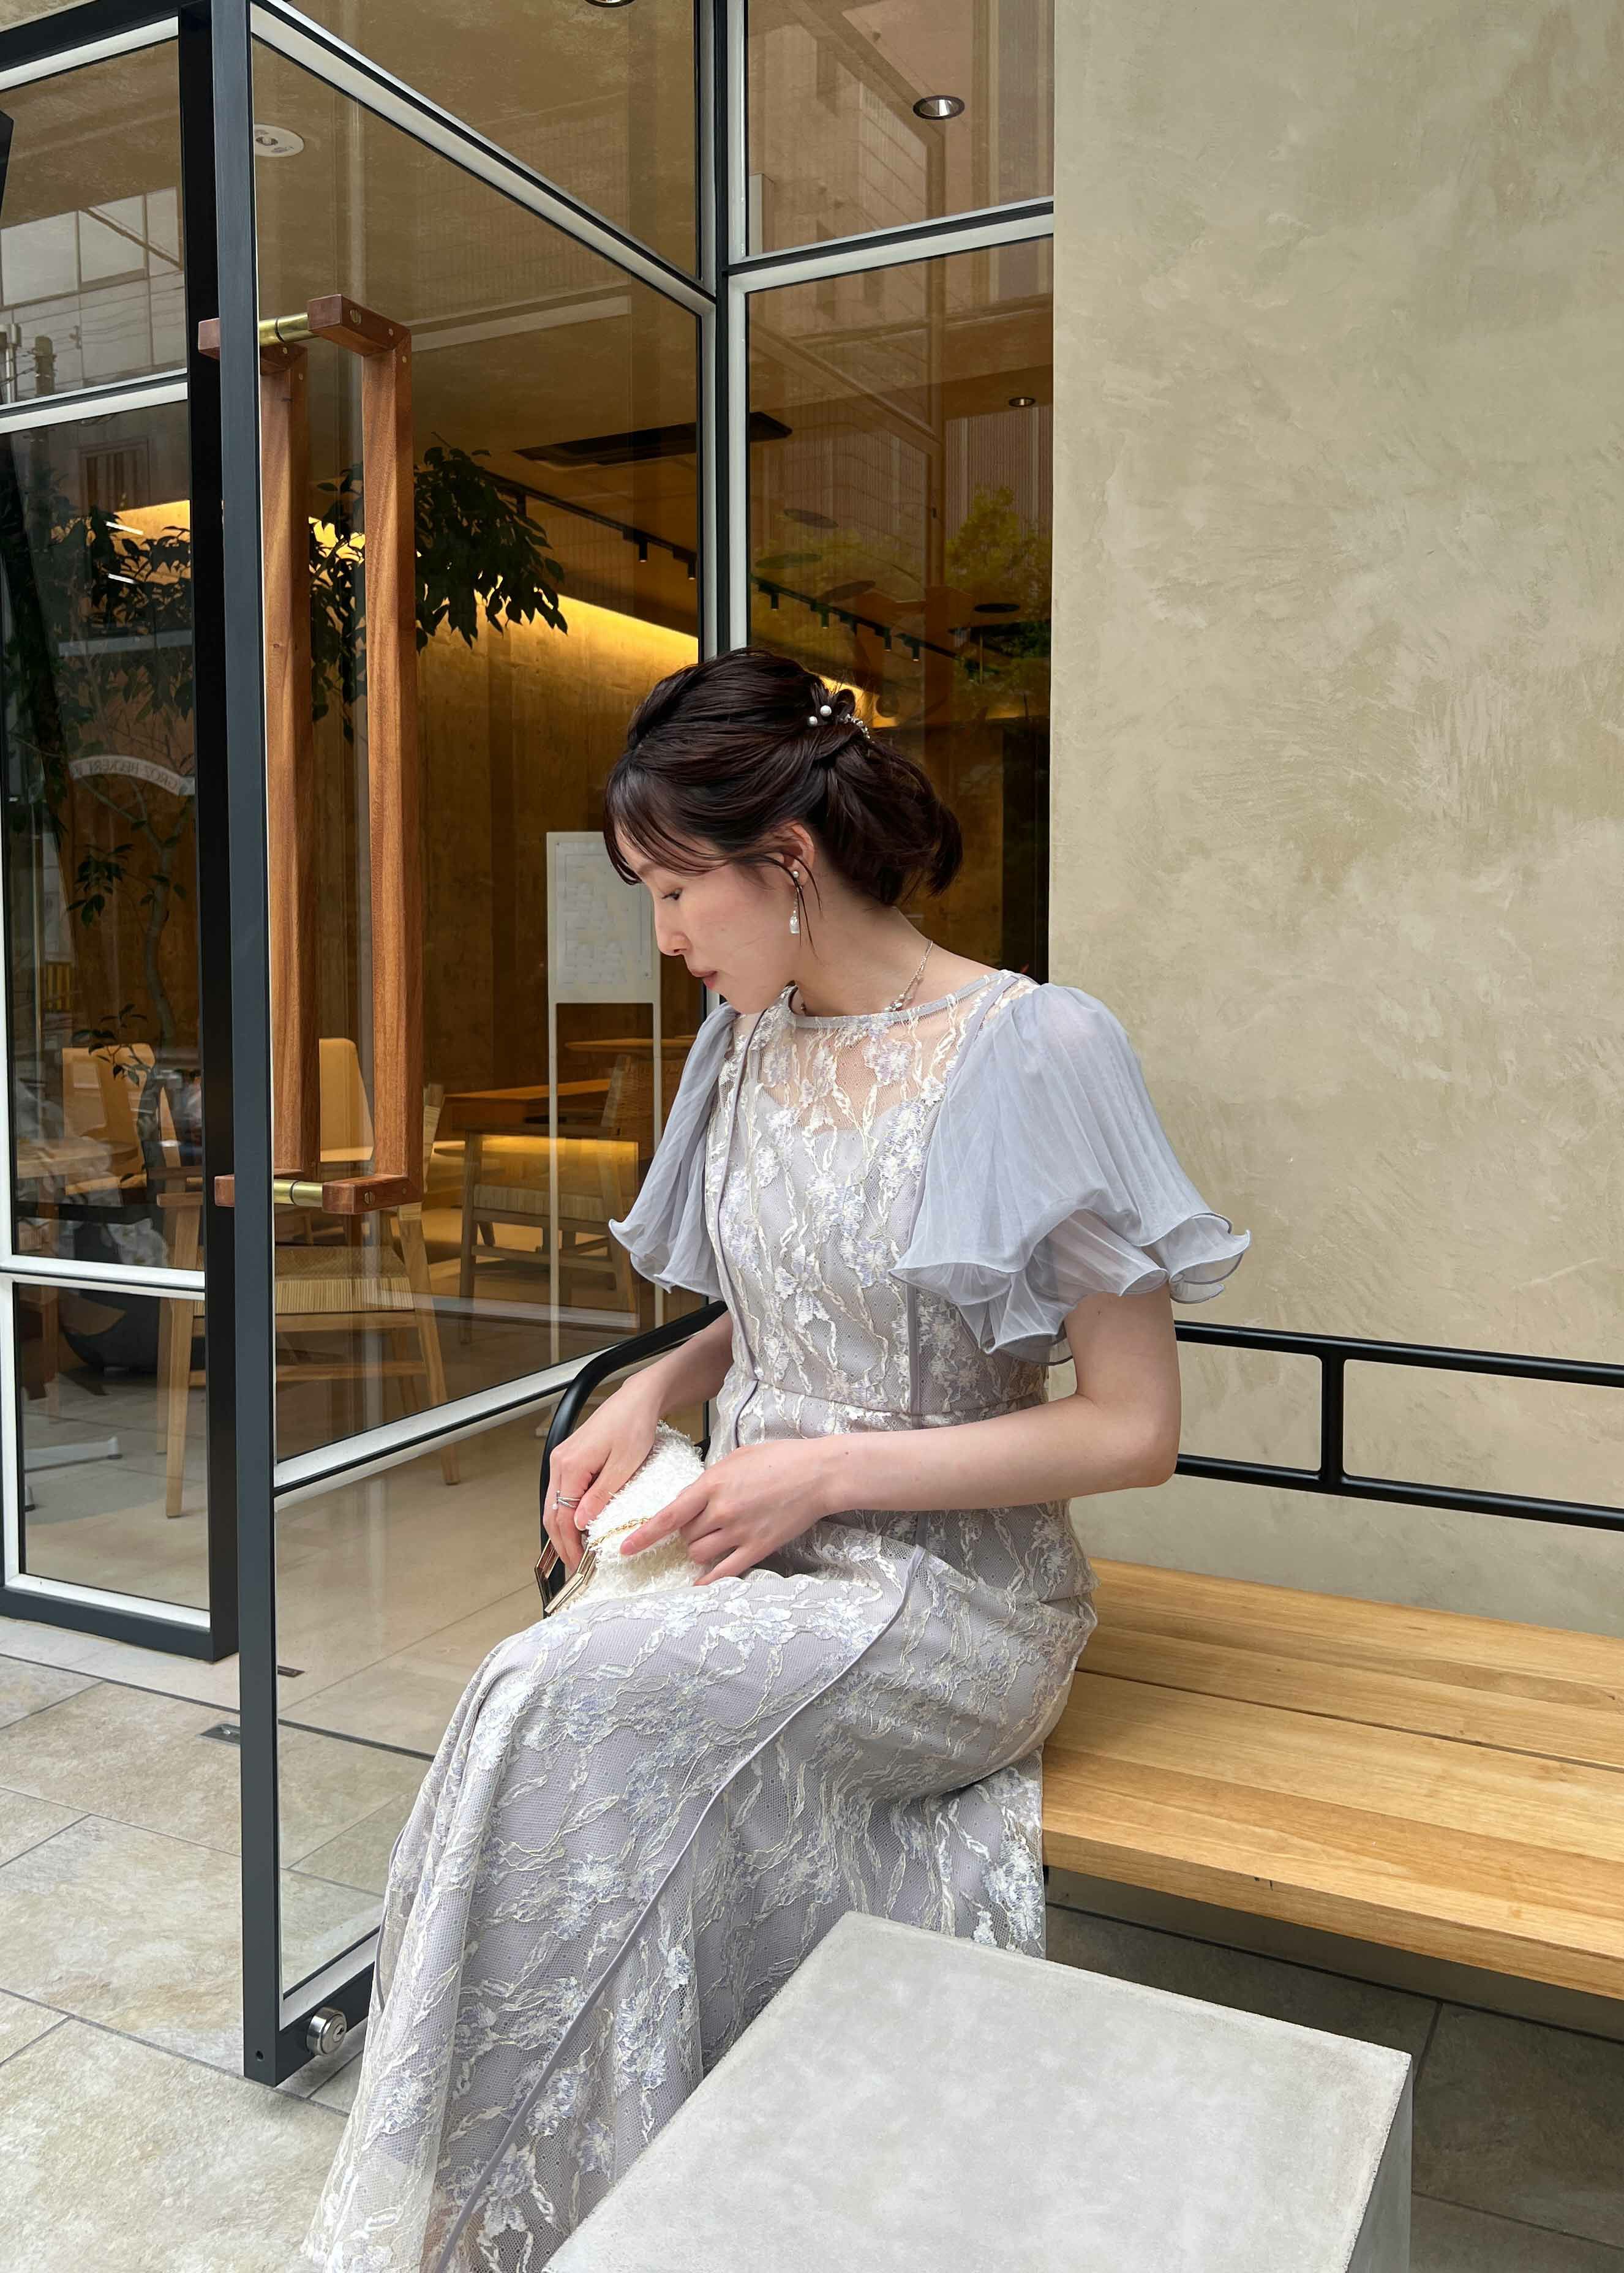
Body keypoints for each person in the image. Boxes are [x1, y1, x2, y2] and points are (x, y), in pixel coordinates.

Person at [301, 647, 1250, 2271]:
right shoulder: (749, 1042)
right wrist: (651, 1384)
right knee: (553, 1744)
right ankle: (552, 2211)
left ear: (789, 863)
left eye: (679, 891)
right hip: (756, 1551)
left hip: (946, 1601)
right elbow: (794, 1300)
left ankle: (484, 2230)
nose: (667, 936)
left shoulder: (1032, 1049)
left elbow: (1132, 1427)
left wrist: (823, 1475)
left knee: (548, 1698)